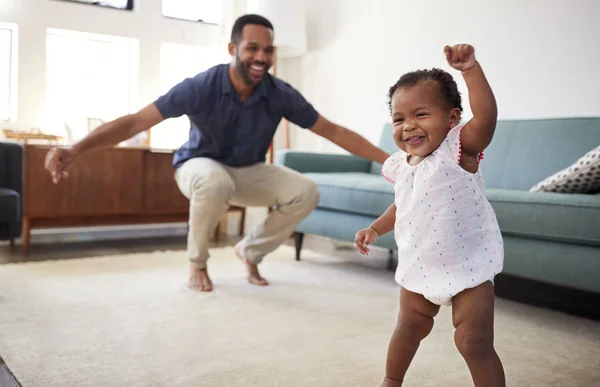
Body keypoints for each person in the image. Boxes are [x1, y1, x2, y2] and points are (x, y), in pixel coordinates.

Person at [44, 14, 389, 292]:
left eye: (268, 50)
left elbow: (332, 130)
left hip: (248, 170)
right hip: (198, 166)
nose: (261, 58)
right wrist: (76, 149)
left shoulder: (279, 93)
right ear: (232, 47)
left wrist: (389, 160)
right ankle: (197, 263)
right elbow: (136, 121)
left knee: (306, 191)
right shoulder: (201, 86)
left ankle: (250, 251)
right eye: (252, 48)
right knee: (213, 181)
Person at [354, 44, 505, 386]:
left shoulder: (458, 150)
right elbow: (404, 205)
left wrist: (470, 71)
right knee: (408, 328)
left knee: (473, 341)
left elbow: (486, 119)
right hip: (420, 262)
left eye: (420, 115)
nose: (408, 126)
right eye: (398, 118)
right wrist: (376, 229)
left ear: (452, 119)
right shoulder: (400, 166)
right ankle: (391, 381)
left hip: (468, 264)